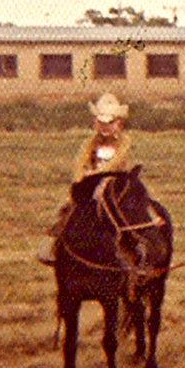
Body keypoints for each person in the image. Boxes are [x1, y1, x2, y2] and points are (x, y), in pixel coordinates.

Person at [36, 93, 131, 264]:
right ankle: (54, 244)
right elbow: (80, 163)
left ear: (119, 124)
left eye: (110, 123)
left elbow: (116, 162)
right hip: (90, 185)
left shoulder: (124, 142)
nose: (105, 127)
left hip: (116, 184)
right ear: (95, 123)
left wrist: (97, 173)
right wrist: (80, 180)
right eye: (101, 122)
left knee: (135, 206)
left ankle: (140, 243)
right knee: (68, 209)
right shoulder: (89, 143)